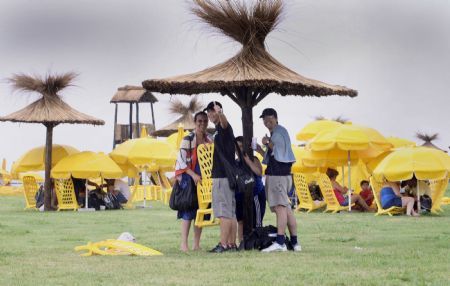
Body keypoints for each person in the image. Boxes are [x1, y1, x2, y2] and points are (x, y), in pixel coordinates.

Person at [260, 108, 301, 252]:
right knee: (287, 209)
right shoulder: (276, 133)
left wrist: (266, 142)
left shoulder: (279, 132)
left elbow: (274, 147)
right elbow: (273, 155)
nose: (267, 121)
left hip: (279, 177)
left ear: (276, 118)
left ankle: (280, 242)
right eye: (264, 119)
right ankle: (295, 243)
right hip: (283, 175)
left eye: (269, 118)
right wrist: (261, 148)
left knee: (280, 208)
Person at [175, 111, 212, 252]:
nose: (202, 123)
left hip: (204, 179)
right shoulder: (187, 139)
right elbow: (181, 160)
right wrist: (193, 175)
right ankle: (183, 244)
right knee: (188, 211)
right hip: (188, 177)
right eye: (199, 121)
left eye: (204, 121)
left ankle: (196, 244)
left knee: (201, 210)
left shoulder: (210, 139)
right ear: (195, 123)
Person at [205, 101, 237, 253]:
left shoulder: (224, 126)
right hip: (227, 176)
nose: (210, 115)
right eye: (209, 112)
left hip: (222, 176)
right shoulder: (217, 131)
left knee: (224, 212)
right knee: (230, 212)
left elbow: (225, 124)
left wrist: (221, 113)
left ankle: (223, 244)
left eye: (212, 112)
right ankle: (231, 244)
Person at [233, 136, 266, 247]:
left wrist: (247, 161)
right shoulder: (234, 163)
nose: (239, 149)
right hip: (240, 196)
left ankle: (258, 242)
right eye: (236, 147)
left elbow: (259, 172)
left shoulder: (254, 159)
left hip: (255, 194)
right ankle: (242, 243)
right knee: (240, 221)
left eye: (241, 146)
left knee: (257, 222)